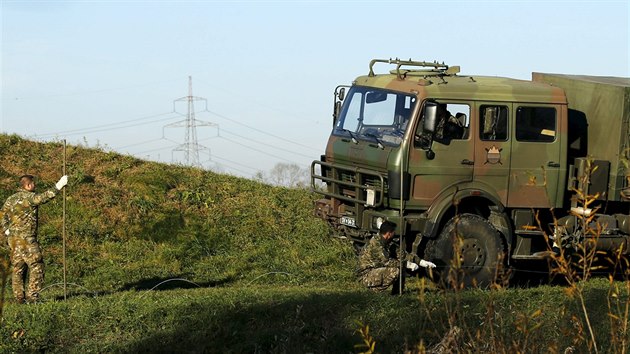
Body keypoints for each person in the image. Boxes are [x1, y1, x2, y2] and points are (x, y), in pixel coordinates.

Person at [1, 174, 68, 303]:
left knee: (18, 268)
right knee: (37, 266)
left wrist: (6, 229)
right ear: (28, 185)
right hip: (26, 240)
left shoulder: (11, 199)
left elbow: (2, 214)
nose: (34, 186)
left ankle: (19, 298)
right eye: (33, 184)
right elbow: (43, 198)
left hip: (13, 240)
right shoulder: (29, 198)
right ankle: (33, 297)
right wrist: (59, 185)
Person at [357, 220, 436, 293]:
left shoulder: (387, 242)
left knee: (401, 265)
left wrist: (421, 262)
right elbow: (387, 262)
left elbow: (403, 255)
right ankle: (375, 291)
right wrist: (407, 264)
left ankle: (397, 292)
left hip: (375, 270)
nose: (395, 233)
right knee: (395, 271)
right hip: (366, 275)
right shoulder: (375, 244)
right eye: (393, 232)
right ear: (389, 233)